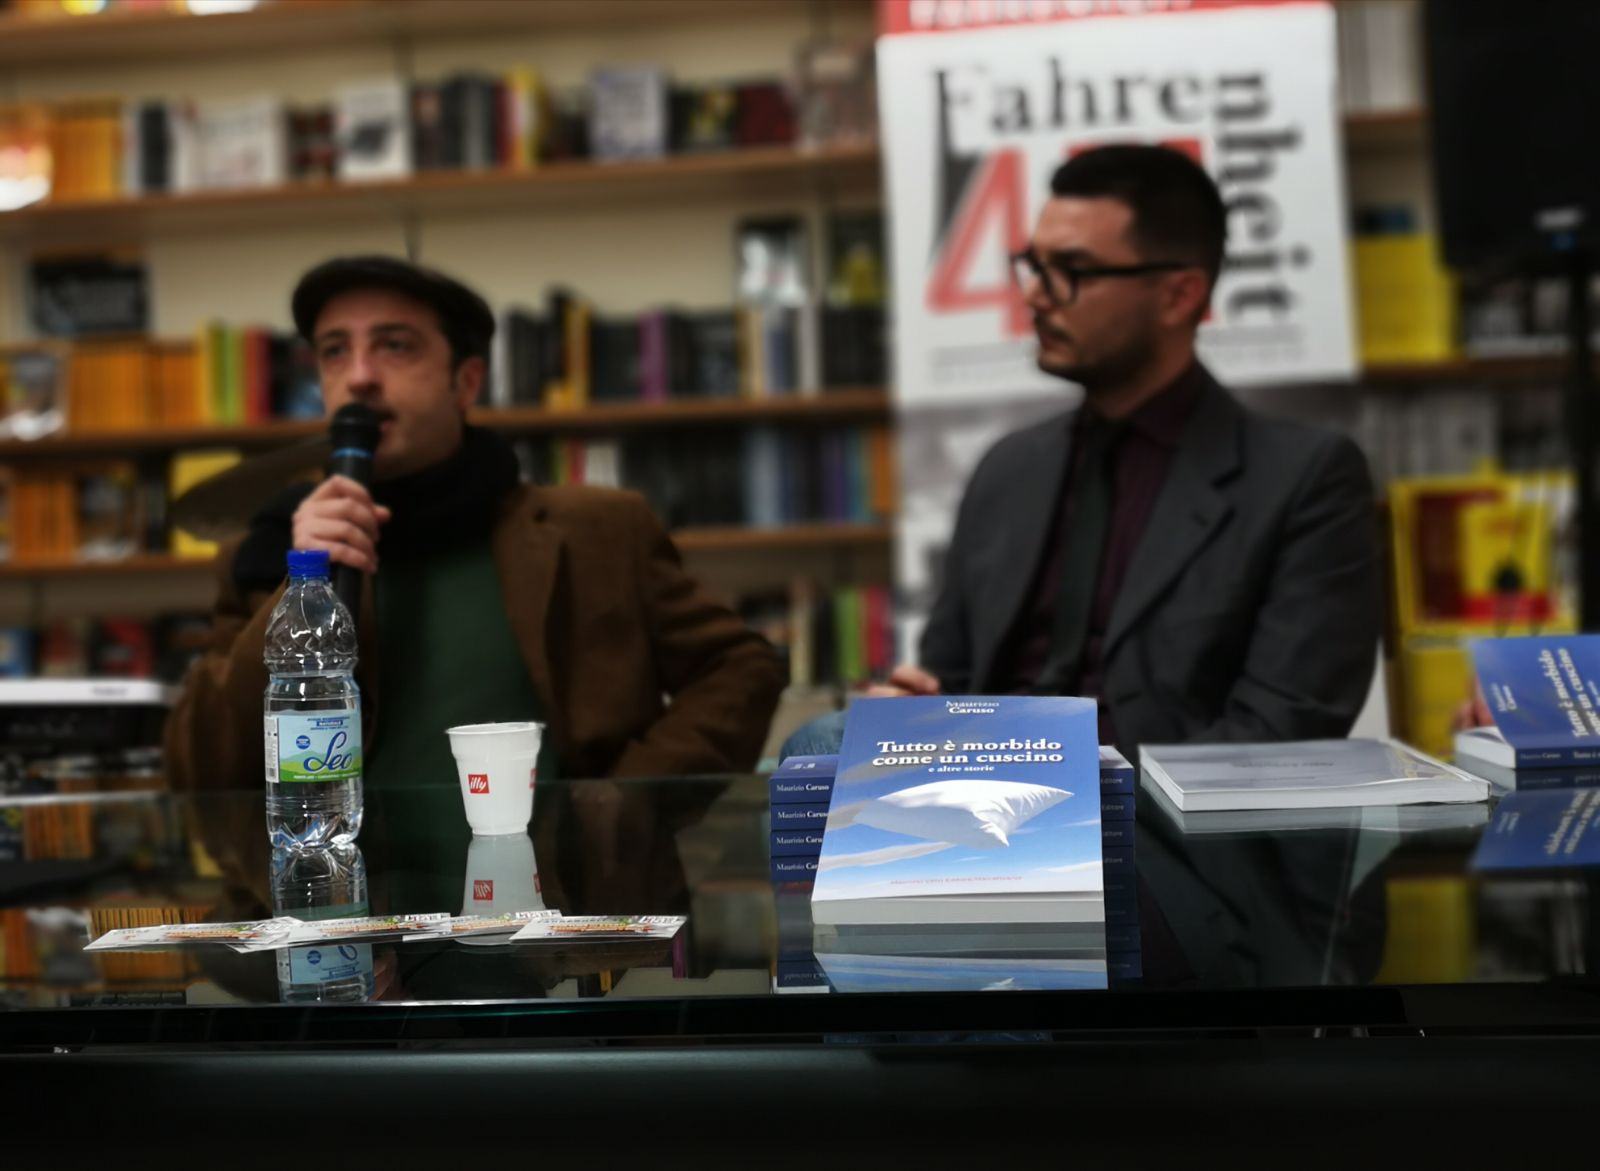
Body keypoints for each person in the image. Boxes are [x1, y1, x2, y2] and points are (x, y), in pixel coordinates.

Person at [786, 144, 1382, 757]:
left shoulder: (1301, 478)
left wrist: (1082, 780)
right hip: (984, 785)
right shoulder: (1009, 468)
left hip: (1156, 803)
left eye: (1073, 270)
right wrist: (915, 706)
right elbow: (950, 678)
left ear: (1179, 296)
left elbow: (1283, 731)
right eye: (1033, 265)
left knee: (822, 746)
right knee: (827, 746)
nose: (1036, 296)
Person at [166, 255, 786, 798]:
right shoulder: (267, 554)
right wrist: (302, 588)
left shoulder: (598, 531)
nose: (359, 376)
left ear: (466, 382)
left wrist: (632, 803)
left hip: (562, 893)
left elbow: (740, 667)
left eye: (394, 345)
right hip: (343, 892)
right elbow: (198, 769)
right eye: (334, 351)